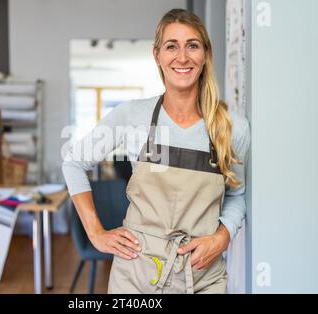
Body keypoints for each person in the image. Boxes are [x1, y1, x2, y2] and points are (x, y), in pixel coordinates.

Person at [62, 8, 251, 294]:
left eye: (192, 45)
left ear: (206, 54)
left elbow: (236, 195)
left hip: (202, 276)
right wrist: (96, 233)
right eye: (171, 46)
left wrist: (222, 237)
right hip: (135, 275)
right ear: (157, 55)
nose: (183, 57)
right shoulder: (131, 116)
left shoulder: (232, 128)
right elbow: (73, 162)